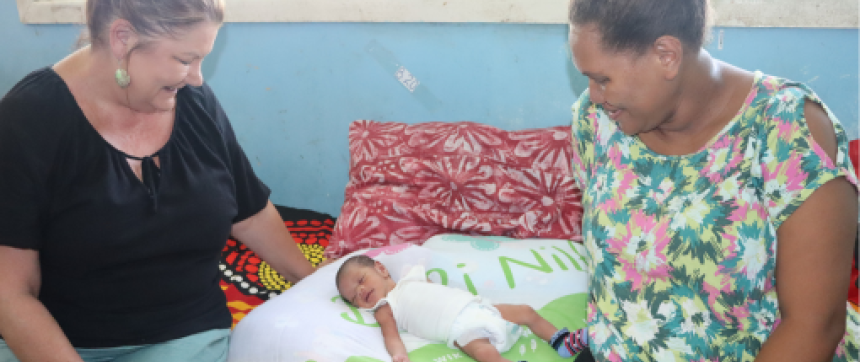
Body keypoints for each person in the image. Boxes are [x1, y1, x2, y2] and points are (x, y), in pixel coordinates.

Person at [0, 0, 315, 361]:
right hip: (56, 344)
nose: (198, 77)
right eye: (184, 60)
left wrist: (319, 283)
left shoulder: (194, 101)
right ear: (122, 37)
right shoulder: (27, 120)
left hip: (185, 340)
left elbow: (250, 213)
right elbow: (10, 293)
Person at [566, 0, 859, 361]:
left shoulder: (785, 129)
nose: (594, 95)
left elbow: (815, 326)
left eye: (603, 79)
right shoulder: (596, 121)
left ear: (666, 55)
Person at [335, 255, 590, 362]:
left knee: (526, 311)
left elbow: (436, 291)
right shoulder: (384, 307)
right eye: (353, 297)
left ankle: (562, 341)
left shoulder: (411, 278)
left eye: (360, 281)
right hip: (456, 328)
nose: (359, 292)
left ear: (380, 268)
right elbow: (390, 334)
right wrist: (399, 355)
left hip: (476, 306)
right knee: (483, 351)